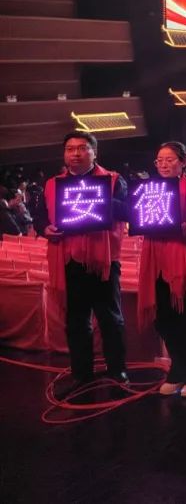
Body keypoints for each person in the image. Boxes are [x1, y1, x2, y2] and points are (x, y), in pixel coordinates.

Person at [35, 132, 129, 396]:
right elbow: (39, 217)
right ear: (64, 153)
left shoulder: (113, 180)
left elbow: (127, 211)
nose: (75, 153)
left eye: (82, 148)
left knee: (110, 319)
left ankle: (117, 370)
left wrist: (96, 197)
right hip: (69, 260)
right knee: (76, 321)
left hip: (103, 261)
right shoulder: (52, 184)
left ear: (94, 152)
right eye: (70, 149)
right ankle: (82, 373)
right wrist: (45, 228)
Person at [138, 141, 186, 397]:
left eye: (169, 160)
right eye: (160, 160)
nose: (163, 165)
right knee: (164, 320)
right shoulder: (149, 189)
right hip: (156, 262)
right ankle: (178, 370)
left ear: (184, 161)